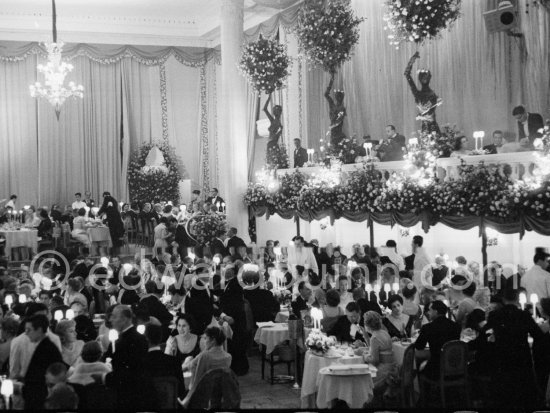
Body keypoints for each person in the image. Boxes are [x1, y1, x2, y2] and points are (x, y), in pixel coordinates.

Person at [486, 288, 544, 410]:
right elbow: (538, 335)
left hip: (502, 358)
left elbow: (485, 334)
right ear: (518, 299)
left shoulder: (495, 315)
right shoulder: (524, 315)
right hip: (521, 357)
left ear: (503, 299)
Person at [100, 305, 150, 411]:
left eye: (114, 316)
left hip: (130, 396)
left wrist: (103, 377)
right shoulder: (127, 338)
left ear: (124, 319)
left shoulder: (126, 341)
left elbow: (127, 372)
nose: (110, 319)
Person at [180, 326, 232, 408]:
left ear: (213, 340)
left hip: (205, 394)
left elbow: (196, 382)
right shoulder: (228, 357)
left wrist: (186, 400)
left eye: (205, 338)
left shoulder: (205, 356)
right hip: (220, 394)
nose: (204, 341)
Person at [23, 314, 63, 409]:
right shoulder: (44, 346)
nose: (26, 333)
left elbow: (39, 378)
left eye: (29, 330)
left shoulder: (46, 349)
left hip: (41, 401)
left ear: (39, 330)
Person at [414, 300, 461, 379]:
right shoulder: (456, 326)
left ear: (435, 312)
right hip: (455, 367)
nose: (428, 312)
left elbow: (419, 346)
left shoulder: (428, 328)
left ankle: (425, 390)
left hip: (436, 369)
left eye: (430, 310)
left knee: (419, 365)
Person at [219, 272, 249, 376]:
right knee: (236, 343)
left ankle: (239, 368)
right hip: (234, 317)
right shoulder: (231, 283)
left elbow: (234, 303)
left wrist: (226, 315)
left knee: (237, 343)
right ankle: (238, 367)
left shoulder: (235, 285)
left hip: (235, 318)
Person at [405, 52, 441, 134]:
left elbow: (430, 114)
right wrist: (412, 60)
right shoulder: (418, 94)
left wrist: (421, 117)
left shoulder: (431, 95)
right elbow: (407, 74)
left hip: (432, 127)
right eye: (422, 77)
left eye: (426, 77)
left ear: (429, 78)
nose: (424, 79)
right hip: (425, 127)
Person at [144, 323, 185, 397]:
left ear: (146, 339)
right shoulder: (174, 361)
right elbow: (181, 391)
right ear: (160, 338)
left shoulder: (141, 363)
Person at [363, 311, 395, 393]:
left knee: (361, 378)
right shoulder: (384, 333)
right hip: (391, 367)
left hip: (383, 372)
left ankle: (367, 402)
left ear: (367, 325)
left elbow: (375, 361)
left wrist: (364, 357)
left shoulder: (374, 338)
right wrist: (366, 337)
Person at [324, 72, 347, 146]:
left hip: (338, 131)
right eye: (337, 97)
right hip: (333, 131)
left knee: (337, 145)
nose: (338, 98)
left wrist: (332, 125)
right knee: (332, 146)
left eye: (340, 97)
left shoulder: (342, 108)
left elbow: (340, 120)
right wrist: (331, 81)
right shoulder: (332, 105)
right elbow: (326, 94)